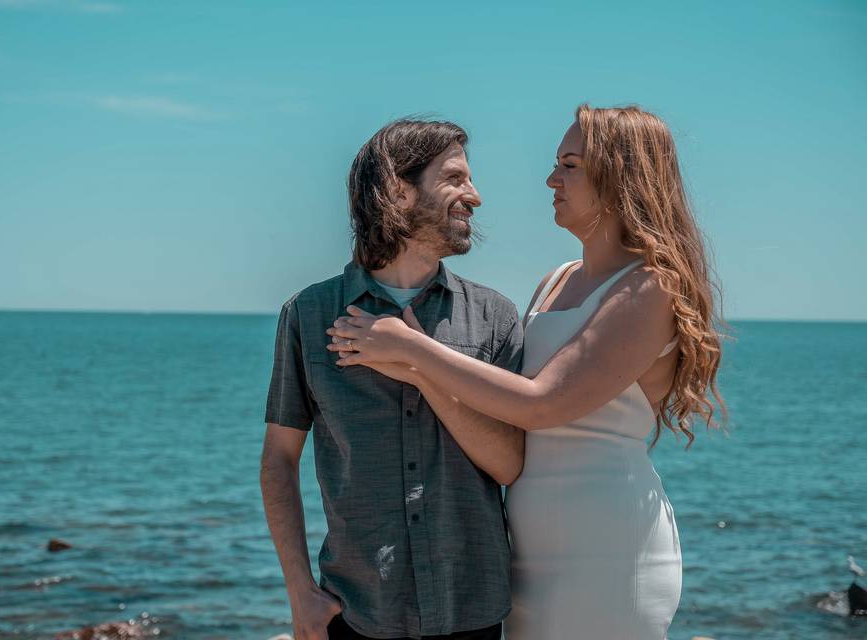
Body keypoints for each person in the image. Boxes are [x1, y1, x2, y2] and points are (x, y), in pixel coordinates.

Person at [326, 104, 726, 640]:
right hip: (524, 549)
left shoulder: (650, 287)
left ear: (620, 176)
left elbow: (540, 403)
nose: (551, 178)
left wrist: (413, 350)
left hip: (605, 548)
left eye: (570, 165)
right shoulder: (556, 280)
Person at [260, 118, 525, 640]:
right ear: (399, 192)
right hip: (355, 612)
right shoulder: (309, 315)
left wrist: (416, 363)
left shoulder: (495, 316)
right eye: (455, 178)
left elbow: (508, 462)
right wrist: (299, 592)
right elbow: (278, 458)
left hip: (470, 609)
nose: (474, 196)